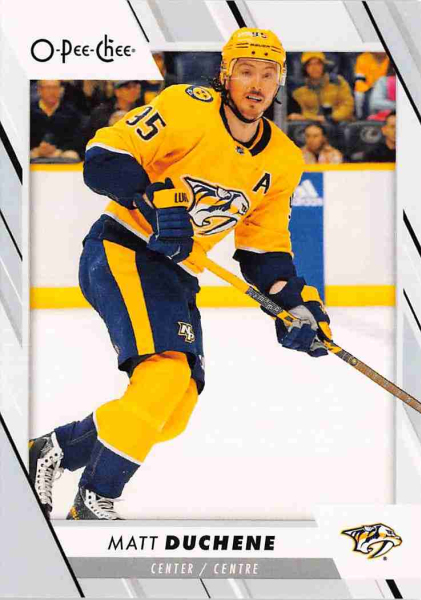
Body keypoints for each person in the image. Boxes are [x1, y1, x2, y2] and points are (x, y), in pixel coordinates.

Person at [29, 28, 332, 520]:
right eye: (246, 71)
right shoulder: (186, 106)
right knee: (165, 373)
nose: (257, 84)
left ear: (279, 82)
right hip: (124, 248)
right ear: (225, 75)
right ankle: (94, 500)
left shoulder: (283, 159)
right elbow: (103, 158)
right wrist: (153, 202)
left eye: (268, 74)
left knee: (174, 409)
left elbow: (264, 251)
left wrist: (298, 306)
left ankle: (52, 450)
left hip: (178, 275)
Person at [288, 52, 354, 123]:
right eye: (309, 64)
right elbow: (298, 113)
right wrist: (316, 119)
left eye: (318, 63)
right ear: (304, 69)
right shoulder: (299, 90)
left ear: (324, 66)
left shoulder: (338, 82)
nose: (314, 68)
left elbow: (348, 105)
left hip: (338, 123)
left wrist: (331, 118)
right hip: (310, 125)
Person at [30, 80, 83, 161]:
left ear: (61, 90)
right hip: (35, 151)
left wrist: (59, 150)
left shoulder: (71, 112)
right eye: (48, 88)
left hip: (61, 152)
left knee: (71, 156)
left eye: (55, 88)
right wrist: (37, 150)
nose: (52, 92)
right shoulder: (29, 111)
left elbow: (77, 138)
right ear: (39, 90)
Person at [354, 52, 389, 118]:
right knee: (358, 95)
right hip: (367, 88)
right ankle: (361, 117)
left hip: (386, 88)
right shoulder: (363, 58)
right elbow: (359, 80)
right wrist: (369, 90)